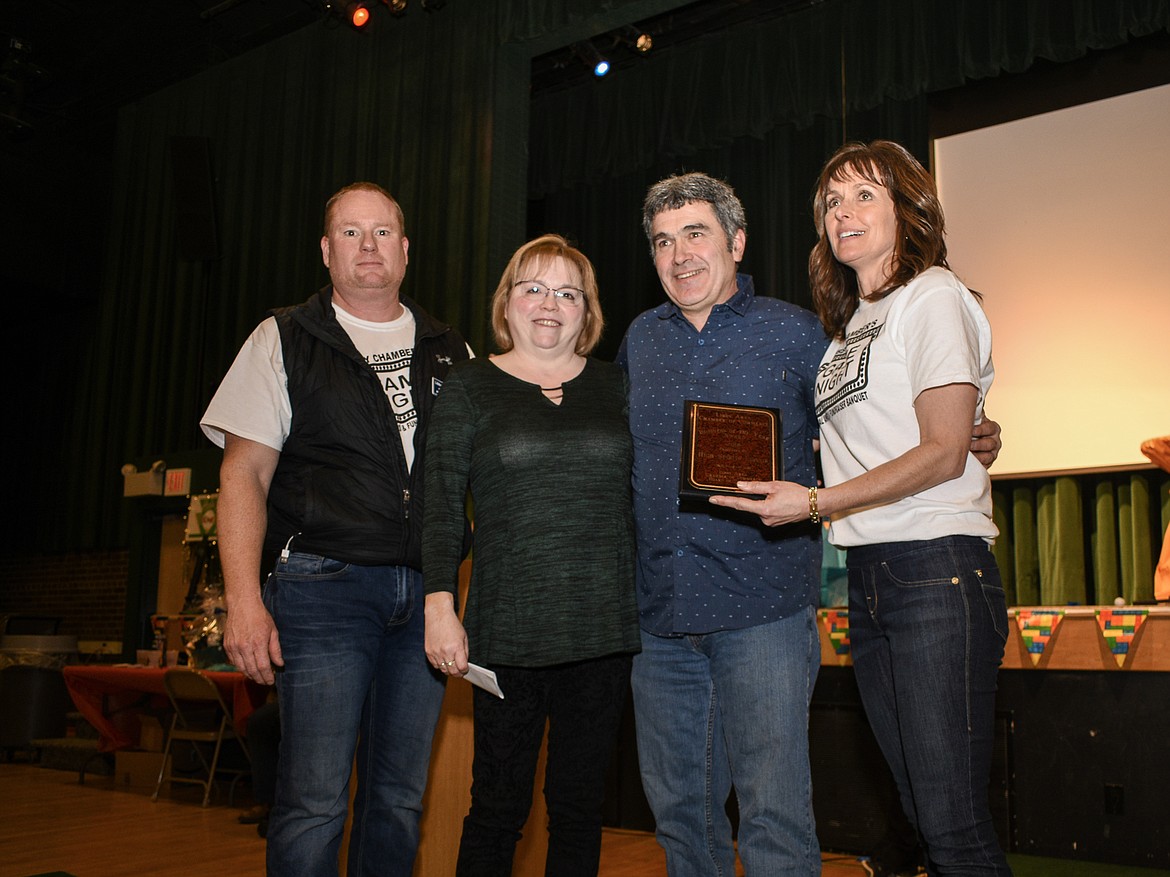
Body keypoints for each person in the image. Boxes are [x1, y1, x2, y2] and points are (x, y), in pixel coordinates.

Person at [713, 141, 1012, 875]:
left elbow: (943, 450)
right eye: (831, 202)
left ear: (907, 208)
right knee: (918, 813)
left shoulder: (934, 294)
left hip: (937, 569)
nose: (844, 212)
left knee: (953, 825)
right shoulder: (847, 328)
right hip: (871, 577)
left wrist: (814, 502)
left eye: (864, 195)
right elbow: (883, 437)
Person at [200, 181, 470, 877]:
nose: (368, 246)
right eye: (350, 233)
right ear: (326, 251)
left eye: (382, 232)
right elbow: (243, 477)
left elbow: (481, 479)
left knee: (399, 802)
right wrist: (244, 601)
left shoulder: (450, 349)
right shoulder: (283, 337)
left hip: (426, 601)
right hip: (322, 591)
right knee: (314, 801)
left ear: (406, 250)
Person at [422, 234, 640, 876]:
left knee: (577, 811)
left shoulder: (617, 387)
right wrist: (440, 606)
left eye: (568, 292)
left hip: (601, 634)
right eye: (534, 288)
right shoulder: (467, 388)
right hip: (507, 638)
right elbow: (438, 507)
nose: (550, 304)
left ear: (587, 311)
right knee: (496, 808)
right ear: (508, 303)